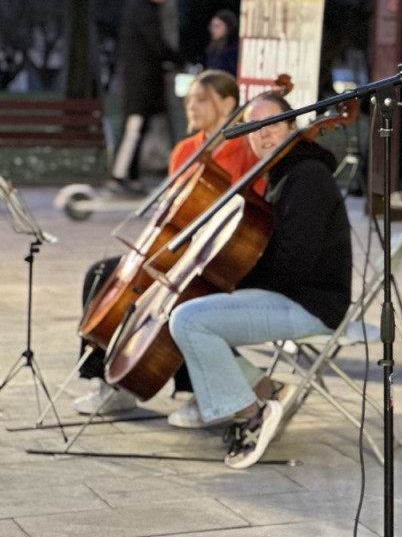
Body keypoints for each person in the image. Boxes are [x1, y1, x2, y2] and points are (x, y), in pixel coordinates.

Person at [168, 93, 353, 469]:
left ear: (293, 127)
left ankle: (251, 414)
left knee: (189, 320)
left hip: (310, 305)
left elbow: (295, 264)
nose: (264, 135)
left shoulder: (306, 178)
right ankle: (264, 389)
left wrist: (240, 283)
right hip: (298, 296)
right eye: (256, 128)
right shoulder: (283, 173)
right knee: (188, 311)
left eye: (273, 125)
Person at [75, 70, 264, 417]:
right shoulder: (186, 149)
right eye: (189, 99)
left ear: (228, 104)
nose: (191, 106)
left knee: (178, 300)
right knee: (101, 274)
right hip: (176, 248)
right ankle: (105, 382)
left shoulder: (245, 150)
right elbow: (173, 211)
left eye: (201, 99)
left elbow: (249, 211)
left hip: (213, 255)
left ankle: (204, 390)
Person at [107, 0, 180, 195]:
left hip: (146, 83)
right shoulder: (142, 10)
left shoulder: (146, 9)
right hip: (141, 85)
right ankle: (118, 177)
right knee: (134, 129)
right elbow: (155, 44)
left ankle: (133, 178)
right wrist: (178, 59)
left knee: (139, 129)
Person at [204, 10, 240, 76]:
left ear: (228, 28)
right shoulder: (213, 48)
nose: (213, 30)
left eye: (217, 26)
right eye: (212, 26)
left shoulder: (235, 48)